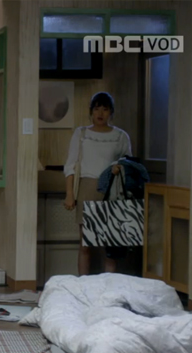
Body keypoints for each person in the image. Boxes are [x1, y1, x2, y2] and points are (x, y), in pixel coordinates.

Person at [63, 92, 132, 276]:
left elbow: (129, 165)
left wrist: (119, 168)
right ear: (91, 111)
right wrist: (70, 194)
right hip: (87, 188)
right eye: (97, 109)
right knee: (86, 243)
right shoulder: (82, 133)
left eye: (105, 109)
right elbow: (70, 165)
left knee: (109, 246)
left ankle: (107, 286)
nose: (100, 113)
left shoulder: (120, 136)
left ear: (111, 112)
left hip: (112, 190)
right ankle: (83, 284)